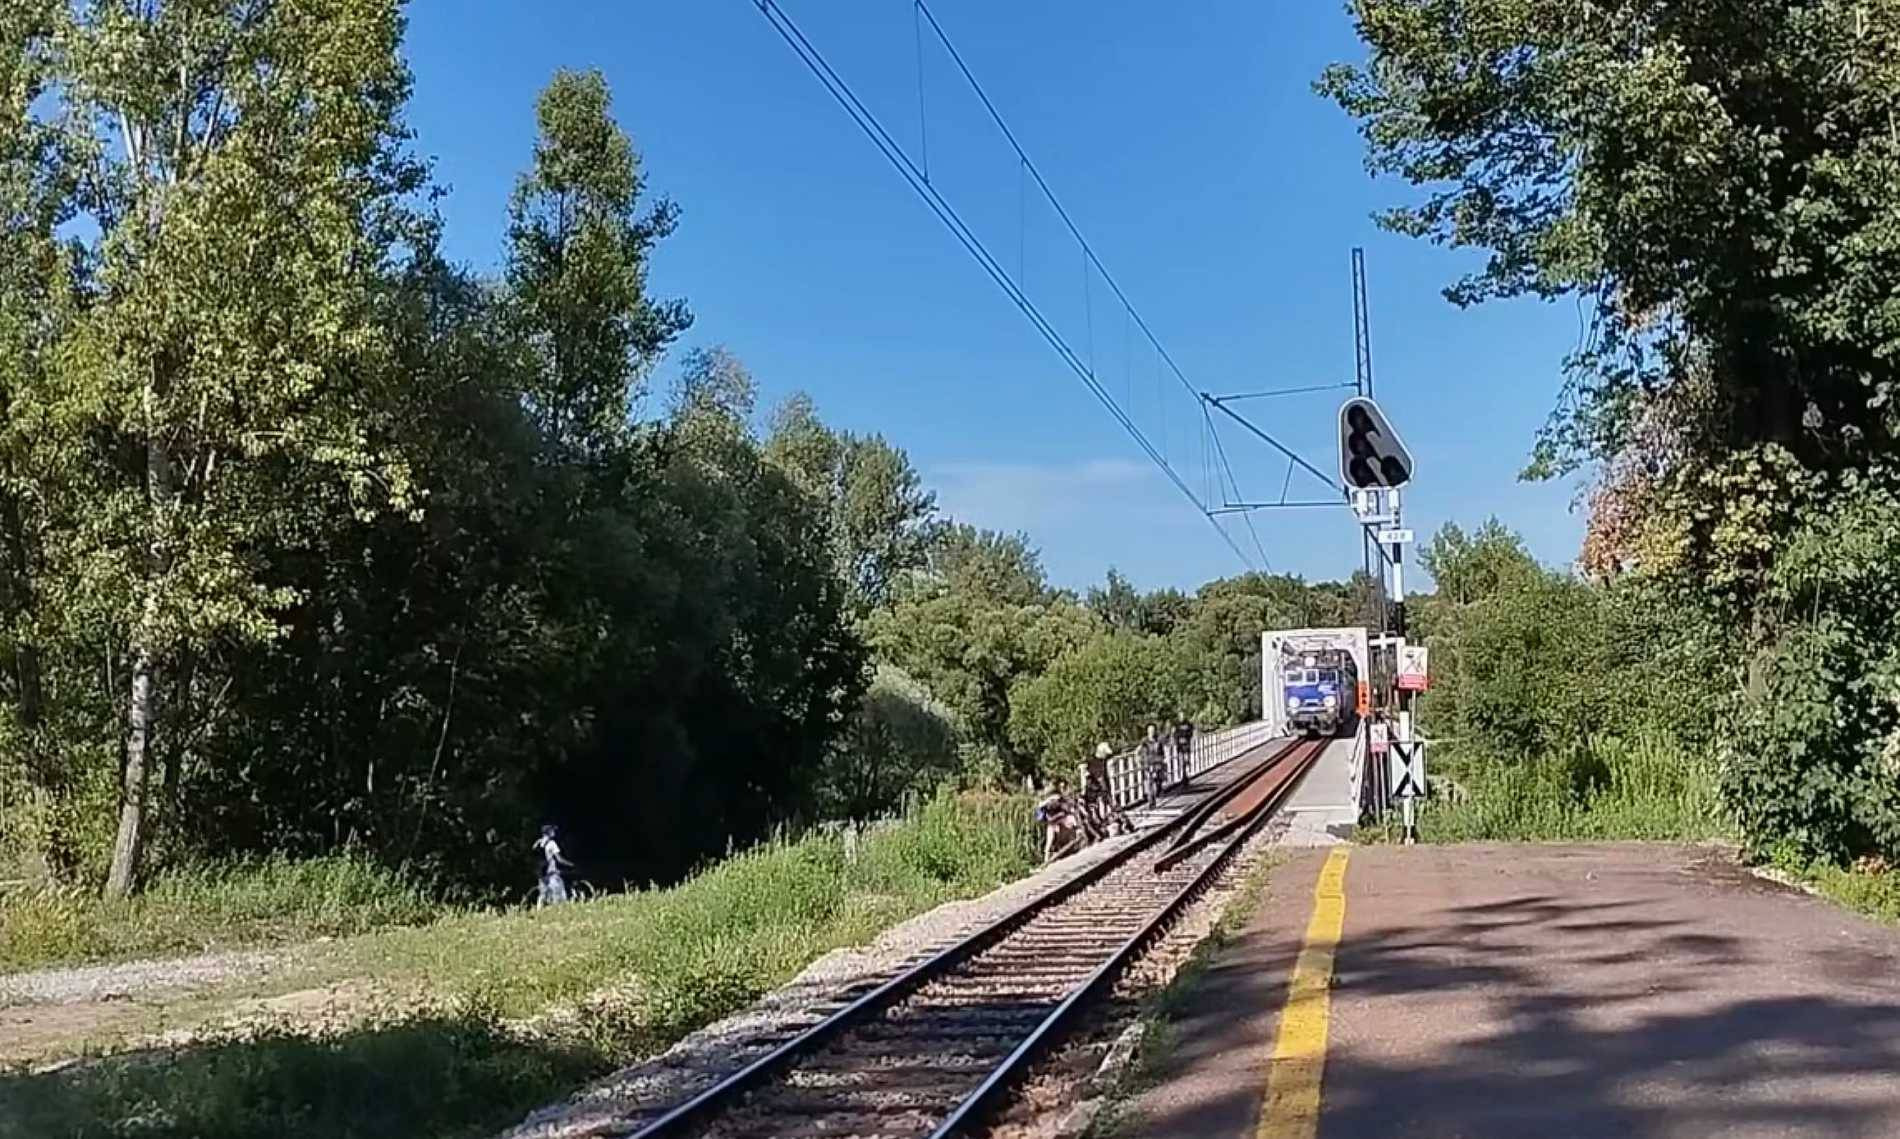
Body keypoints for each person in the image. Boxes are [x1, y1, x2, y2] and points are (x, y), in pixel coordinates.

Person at [1036, 781, 1085, 863]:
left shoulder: (1060, 801)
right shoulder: (1047, 804)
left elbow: (1070, 810)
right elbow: (1045, 816)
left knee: (1070, 819)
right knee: (1050, 840)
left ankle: (1074, 838)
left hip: (1059, 822)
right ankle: (1047, 859)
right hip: (1053, 823)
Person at [533, 824, 572, 907]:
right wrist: (570, 864)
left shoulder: (537, 843)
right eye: (552, 830)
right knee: (559, 894)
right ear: (548, 832)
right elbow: (559, 859)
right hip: (551, 873)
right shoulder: (552, 843)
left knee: (542, 895)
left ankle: (538, 912)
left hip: (542, 874)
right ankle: (557, 911)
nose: (554, 832)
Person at [1140, 724, 1166, 809]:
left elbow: (1162, 753)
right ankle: (1151, 802)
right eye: (1150, 730)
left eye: (1153, 730)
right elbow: (1143, 753)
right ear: (1147, 731)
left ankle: (1158, 791)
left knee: (1158, 782)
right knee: (1150, 783)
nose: (1151, 732)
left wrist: (1161, 760)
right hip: (1149, 764)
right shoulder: (1144, 741)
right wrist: (1144, 763)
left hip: (1157, 764)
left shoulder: (1158, 741)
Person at [1172, 717, 1195, 783]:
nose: (1181, 717)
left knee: (1186, 760)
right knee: (1181, 761)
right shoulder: (1176, 725)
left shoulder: (1188, 724)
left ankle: (1186, 774)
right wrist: (1177, 740)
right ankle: (1184, 775)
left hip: (1186, 745)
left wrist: (1186, 737)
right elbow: (1174, 734)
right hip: (1180, 746)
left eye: (1182, 715)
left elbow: (1191, 733)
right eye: (1180, 715)